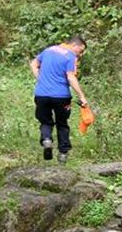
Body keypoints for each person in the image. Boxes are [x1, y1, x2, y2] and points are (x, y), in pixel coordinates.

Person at [30, 36, 89, 164]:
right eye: (81, 51)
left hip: (41, 95)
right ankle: (62, 154)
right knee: (62, 124)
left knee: (45, 121)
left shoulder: (48, 50)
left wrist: (40, 80)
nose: (81, 54)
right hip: (61, 97)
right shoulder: (70, 56)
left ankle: (47, 140)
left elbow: (34, 64)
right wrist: (82, 97)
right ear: (75, 45)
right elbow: (71, 77)